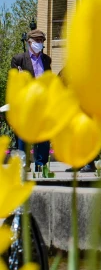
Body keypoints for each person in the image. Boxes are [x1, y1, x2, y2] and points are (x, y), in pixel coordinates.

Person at [10, 29, 52, 172]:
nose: (40, 43)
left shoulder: (47, 60)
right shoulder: (19, 59)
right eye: (37, 41)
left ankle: (41, 164)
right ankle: (25, 164)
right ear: (29, 42)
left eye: (42, 41)